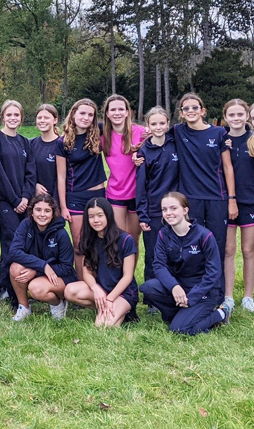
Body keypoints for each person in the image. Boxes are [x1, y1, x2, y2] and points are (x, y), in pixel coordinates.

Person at [171, 93, 237, 315]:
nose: (190, 111)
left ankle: (218, 297)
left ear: (203, 110)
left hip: (217, 198)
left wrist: (231, 199)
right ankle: (194, 293)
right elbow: (153, 135)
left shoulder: (219, 133)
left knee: (217, 246)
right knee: (193, 247)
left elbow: (227, 167)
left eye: (194, 107)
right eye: (186, 108)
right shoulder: (177, 131)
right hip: (190, 199)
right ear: (181, 113)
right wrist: (137, 153)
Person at [140, 192, 229, 335]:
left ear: (185, 210)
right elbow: (159, 266)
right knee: (148, 288)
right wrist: (174, 287)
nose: (168, 213)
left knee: (179, 329)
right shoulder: (163, 234)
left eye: (173, 208)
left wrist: (192, 297)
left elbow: (214, 272)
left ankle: (220, 314)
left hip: (203, 292)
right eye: (164, 209)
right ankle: (181, 315)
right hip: (180, 288)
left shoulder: (204, 235)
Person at [0, 100, 36, 303]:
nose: (13, 118)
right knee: (11, 241)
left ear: (21, 118)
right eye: (9, 114)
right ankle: (5, 287)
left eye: (16, 115)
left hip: (24, 201)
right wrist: (14, 200)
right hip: (6, 201)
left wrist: (25, 197)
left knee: (26, 241)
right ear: (3, 117)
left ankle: (22, 284)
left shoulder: (25, 142)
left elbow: (30, 173)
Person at [63, 197, 137, 327]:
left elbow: (128, 276)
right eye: (91, 216)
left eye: (100, 215)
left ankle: (122, 309)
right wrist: (96, 289)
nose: (96, 220)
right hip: (102, 289)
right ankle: (108, 309)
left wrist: (110, 298)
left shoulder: (126, 239)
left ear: (108, 215)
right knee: (70, 290)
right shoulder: (89, 240)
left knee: (101, 326)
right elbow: (86, 273)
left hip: (123, 292)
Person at [56, 98, 106, 275]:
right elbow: (61, 176)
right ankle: (81, 282)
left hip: (98, 195)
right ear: (73, 114)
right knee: (79, 244)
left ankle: (101, 280)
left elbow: (123, 126)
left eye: (90, 115)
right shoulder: (63, 142)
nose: (86, 117)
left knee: (100, 241)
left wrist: (146, 131)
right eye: (82, 113)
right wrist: (63, 206)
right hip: (75, 197)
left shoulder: (98, 133)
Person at [8, 193, 75, 321]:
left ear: (53, 213)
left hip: (60, 277)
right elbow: (14, 252)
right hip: (42, 270)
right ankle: (24, 307)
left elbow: (66, 267)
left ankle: (57, 303)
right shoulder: (26, 225)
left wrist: (37, 271)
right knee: (15, 268)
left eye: (47, 211)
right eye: (38, 210)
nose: (42, 214)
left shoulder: (61, 233)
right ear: (32, 212)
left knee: (36, 288)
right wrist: (42, 266)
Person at [222, 100, 254, 312]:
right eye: (232, 114)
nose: (236, 118)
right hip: (226, 202)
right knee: (228, 250)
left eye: (240, 114)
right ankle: (228, 296)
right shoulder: (220, 139)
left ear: (247, 116)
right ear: (225, 117)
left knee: (248, 250)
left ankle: (248, 297)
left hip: (250, 201)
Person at [135, 107, 179, 292]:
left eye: (162, 123)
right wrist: (142, 214)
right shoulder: (144, 152)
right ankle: (152, 294)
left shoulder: (176, 143)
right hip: (154, 211)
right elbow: (141, 186)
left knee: (175, 252)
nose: (158, 127)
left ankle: (174, 290)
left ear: (168, 124)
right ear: (148, 125)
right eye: (154, 124)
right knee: (153, 254)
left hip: (176, 210)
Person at [101, 95, 145, 245]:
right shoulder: (103, 136)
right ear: (107, 113)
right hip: (116, 192)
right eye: (113, 110)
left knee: (133, 238)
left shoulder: (141, 132)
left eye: (121, 109)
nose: (117, 113)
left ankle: (131, 263)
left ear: (127, 112)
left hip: (137, 192)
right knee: (118, 237)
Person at [30, 104, 60, 201]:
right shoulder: (30, 144)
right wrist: (34, 185)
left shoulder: (62, 145)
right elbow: (25, 172)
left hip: (56, 200)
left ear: (55, 120)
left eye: (46, 118)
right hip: (34, 200)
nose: (42, 120)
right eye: (39, 118)